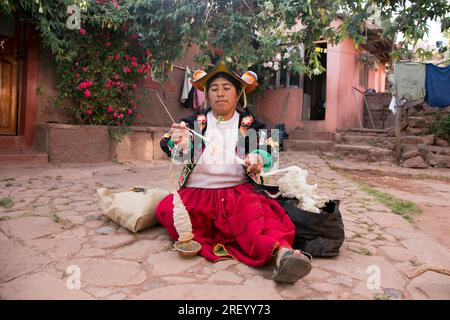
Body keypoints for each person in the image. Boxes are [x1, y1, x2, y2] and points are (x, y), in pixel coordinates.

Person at [155, 60, 312, 284]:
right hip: (197, 194)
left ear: (238, 94)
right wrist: (177, 141)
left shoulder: (251, 124)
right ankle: (229, 235)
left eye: (227, 88)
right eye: (214, 89)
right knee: (166, 210)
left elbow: (271, 150)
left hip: (238, 194)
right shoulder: (193, 123)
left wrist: (259, 157)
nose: (220, 94)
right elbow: (171, 148)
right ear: (207, 95)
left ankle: (284, 256)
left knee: (261, 218)